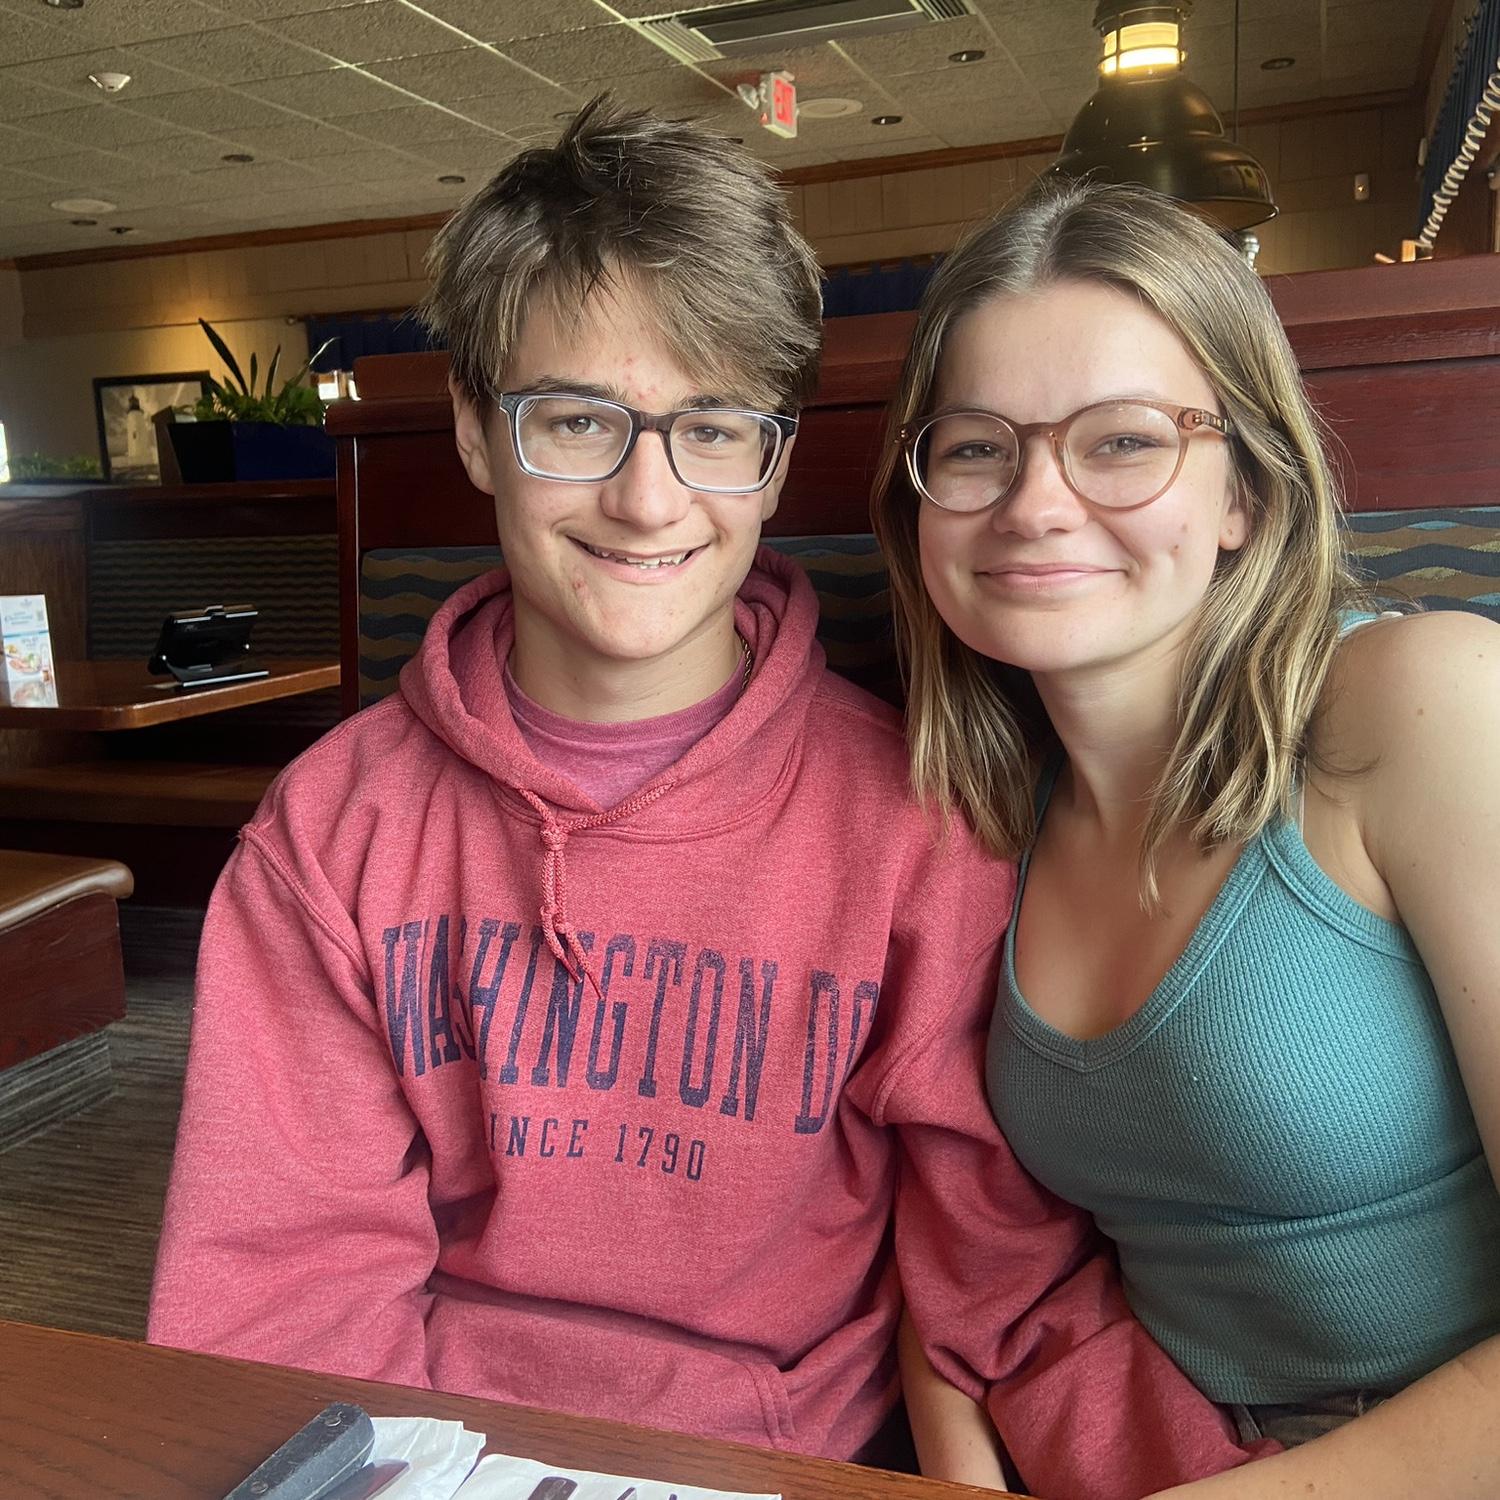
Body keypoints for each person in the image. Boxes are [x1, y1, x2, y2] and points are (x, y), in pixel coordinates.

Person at [148, 106, 1263, 1493]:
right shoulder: (334, 829)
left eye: (713, 428)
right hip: (444, 1461)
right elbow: (281, 1292)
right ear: (478, 434)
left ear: (774, 460)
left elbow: (1005, 1286)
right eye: (575, 421)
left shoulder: (918, 819)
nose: (645, 498)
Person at [873, 176, 1500, 1496]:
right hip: (1153, 1449)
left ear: (1245, 496)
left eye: (1121, 441)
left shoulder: (1421, 702)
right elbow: (969, 1249)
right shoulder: (977, 812)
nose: (1036, 504)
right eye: (977, 448)